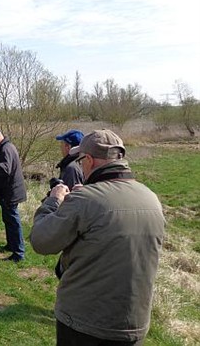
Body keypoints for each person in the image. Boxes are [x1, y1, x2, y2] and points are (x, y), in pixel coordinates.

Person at [30, 129, 165, 346]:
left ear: (90, 160)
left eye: (81, 160)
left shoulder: (84, 200)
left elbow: (41, 240)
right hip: (133, 324)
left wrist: (54, 201)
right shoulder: (151, 199)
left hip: (85, 323)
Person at [0, 127, 27, 262]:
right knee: (8, 219)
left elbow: (5, 169)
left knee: (13, 221)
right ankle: (11, 245)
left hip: (11, 192)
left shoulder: (6, 148)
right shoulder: (7, 147)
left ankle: (18, 252)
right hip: (9, 191)